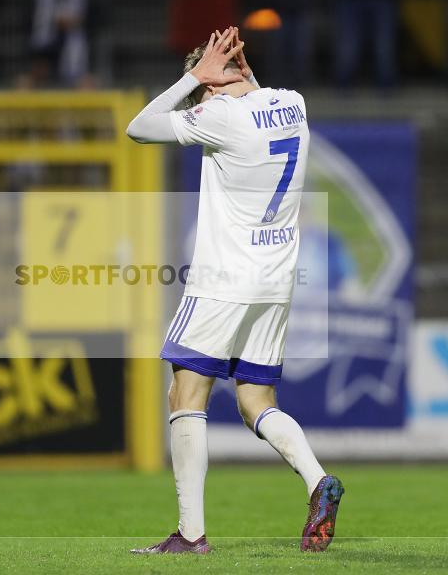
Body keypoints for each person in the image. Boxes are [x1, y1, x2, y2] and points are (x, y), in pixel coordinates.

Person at [126, 27, 344, 554]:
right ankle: (318, 481)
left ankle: (190, 533)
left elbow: (138, 128)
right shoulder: (293, 104)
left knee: (186, 392)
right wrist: (236, 71)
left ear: (209, 87)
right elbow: (254, 98)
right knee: (255, 400)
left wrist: (192, 79)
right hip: (276, 278)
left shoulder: (218, 117)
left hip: (225, 276)